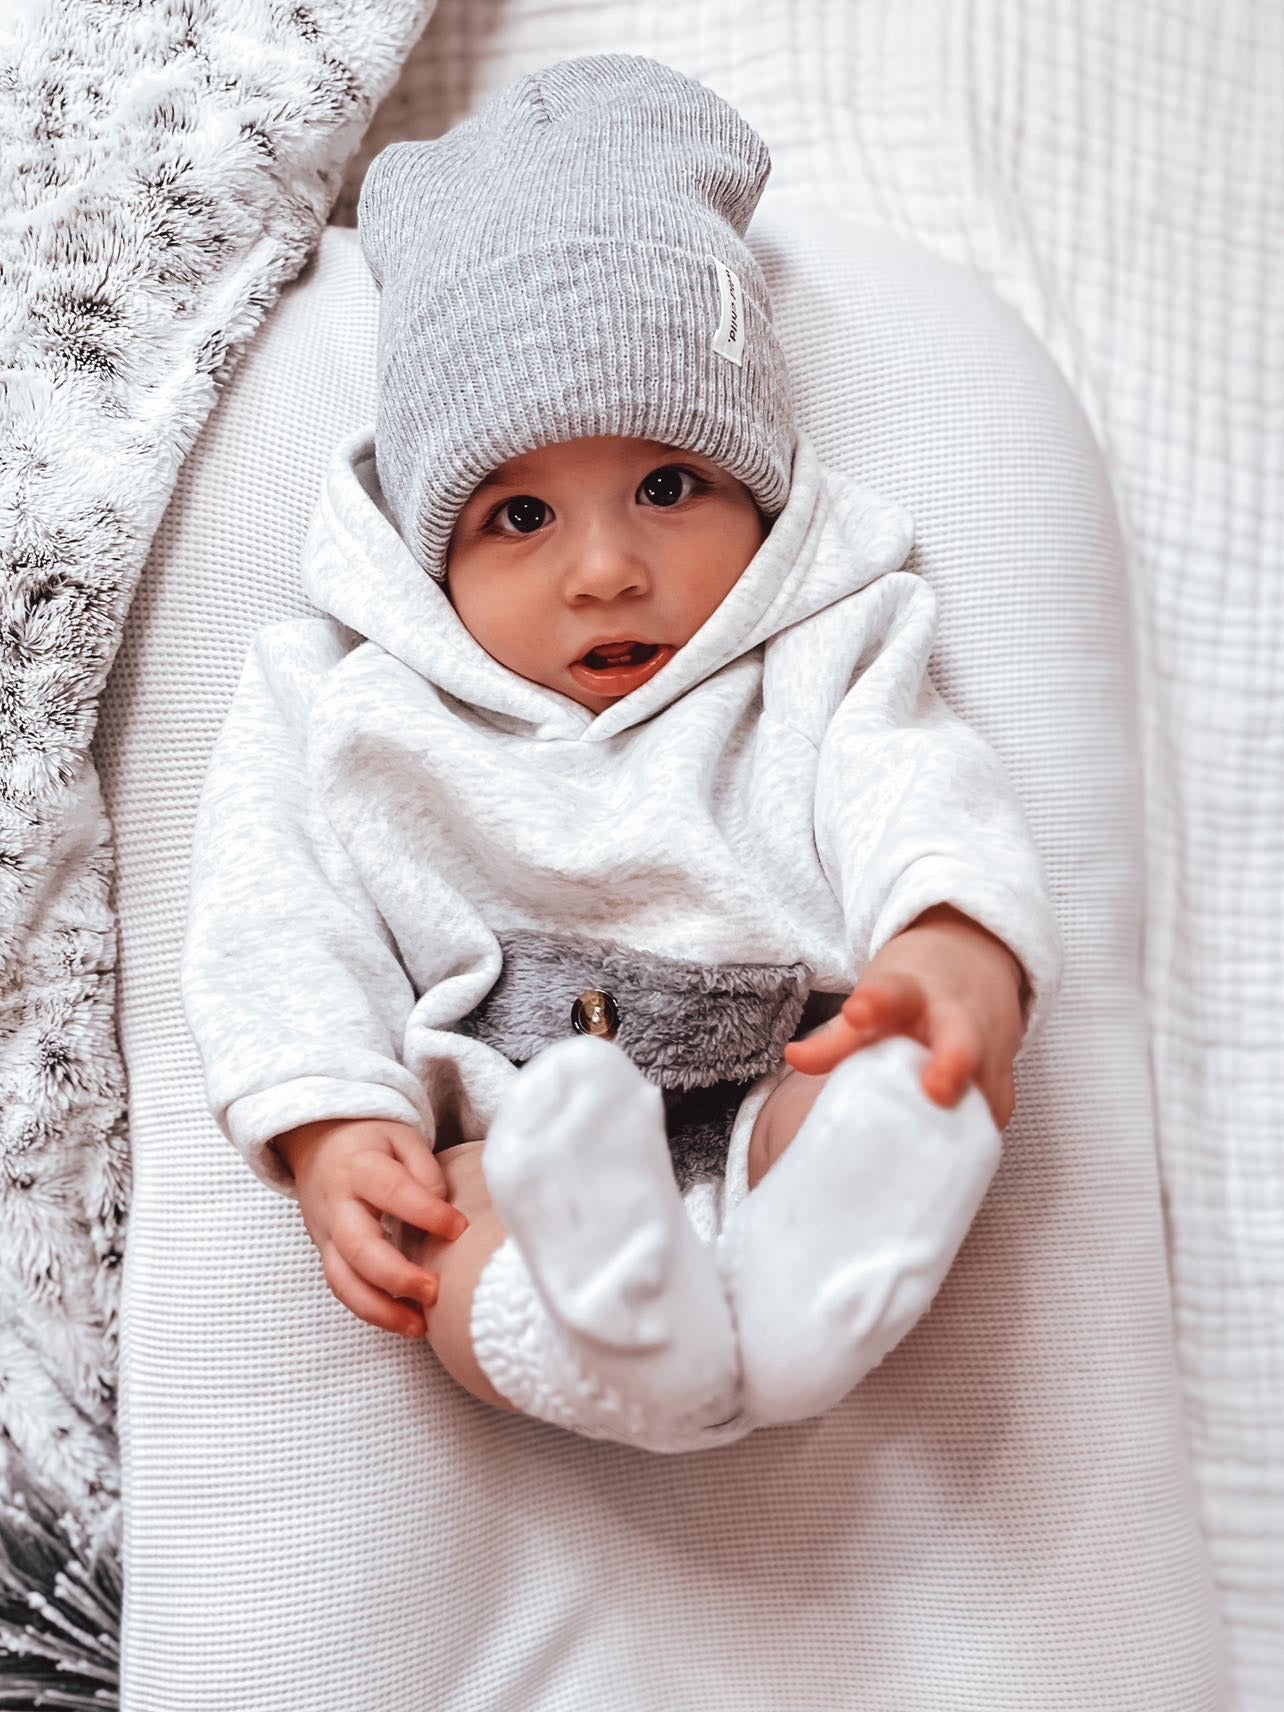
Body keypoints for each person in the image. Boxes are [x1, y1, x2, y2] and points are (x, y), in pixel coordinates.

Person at [181, 53, 1062, 1454]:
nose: (605, 572)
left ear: (756, 483)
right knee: (446, 1233)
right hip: (517, 1139)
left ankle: (827, 1268)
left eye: (668, 487)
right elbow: (268, 911)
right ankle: (607, 1329)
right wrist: (331, 1127)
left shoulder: (824, 641)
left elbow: (916, 783)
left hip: (784, 1074)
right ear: (431, 542)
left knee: (883, 1088)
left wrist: (954, 946)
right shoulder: (347, 696)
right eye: (518, 518)